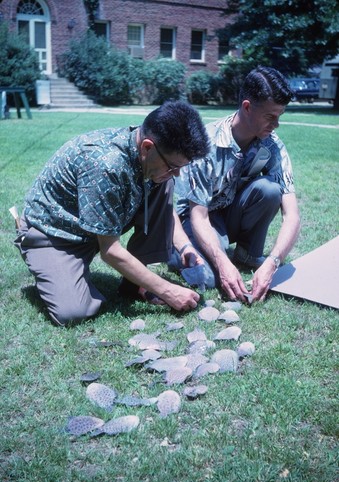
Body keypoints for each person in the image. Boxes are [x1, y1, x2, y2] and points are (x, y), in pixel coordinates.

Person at [14, 100, 210, 326]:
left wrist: (185, 247)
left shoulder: (151, 157)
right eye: (173, 166)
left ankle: (135, 283)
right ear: (147, 147)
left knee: (163, 183)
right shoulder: (107, 165)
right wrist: (168, 291)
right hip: (54, 235)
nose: (176, 173)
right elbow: (110, 250)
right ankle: (47, 260)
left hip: (92, 227)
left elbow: (165, 209)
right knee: (72, 311)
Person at [169, 66, 300, 303]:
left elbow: (292, 216)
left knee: (269, 190)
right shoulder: (206, 143)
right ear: (247, 107)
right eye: (270, 116)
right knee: (207, 279)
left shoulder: (272, 146)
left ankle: (248, 255)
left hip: (227, 213)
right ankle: (176, 249)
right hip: (196, 217)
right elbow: (199, 216)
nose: (276, 124)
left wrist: (273, 262)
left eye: (280, 116)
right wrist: (222, 263)